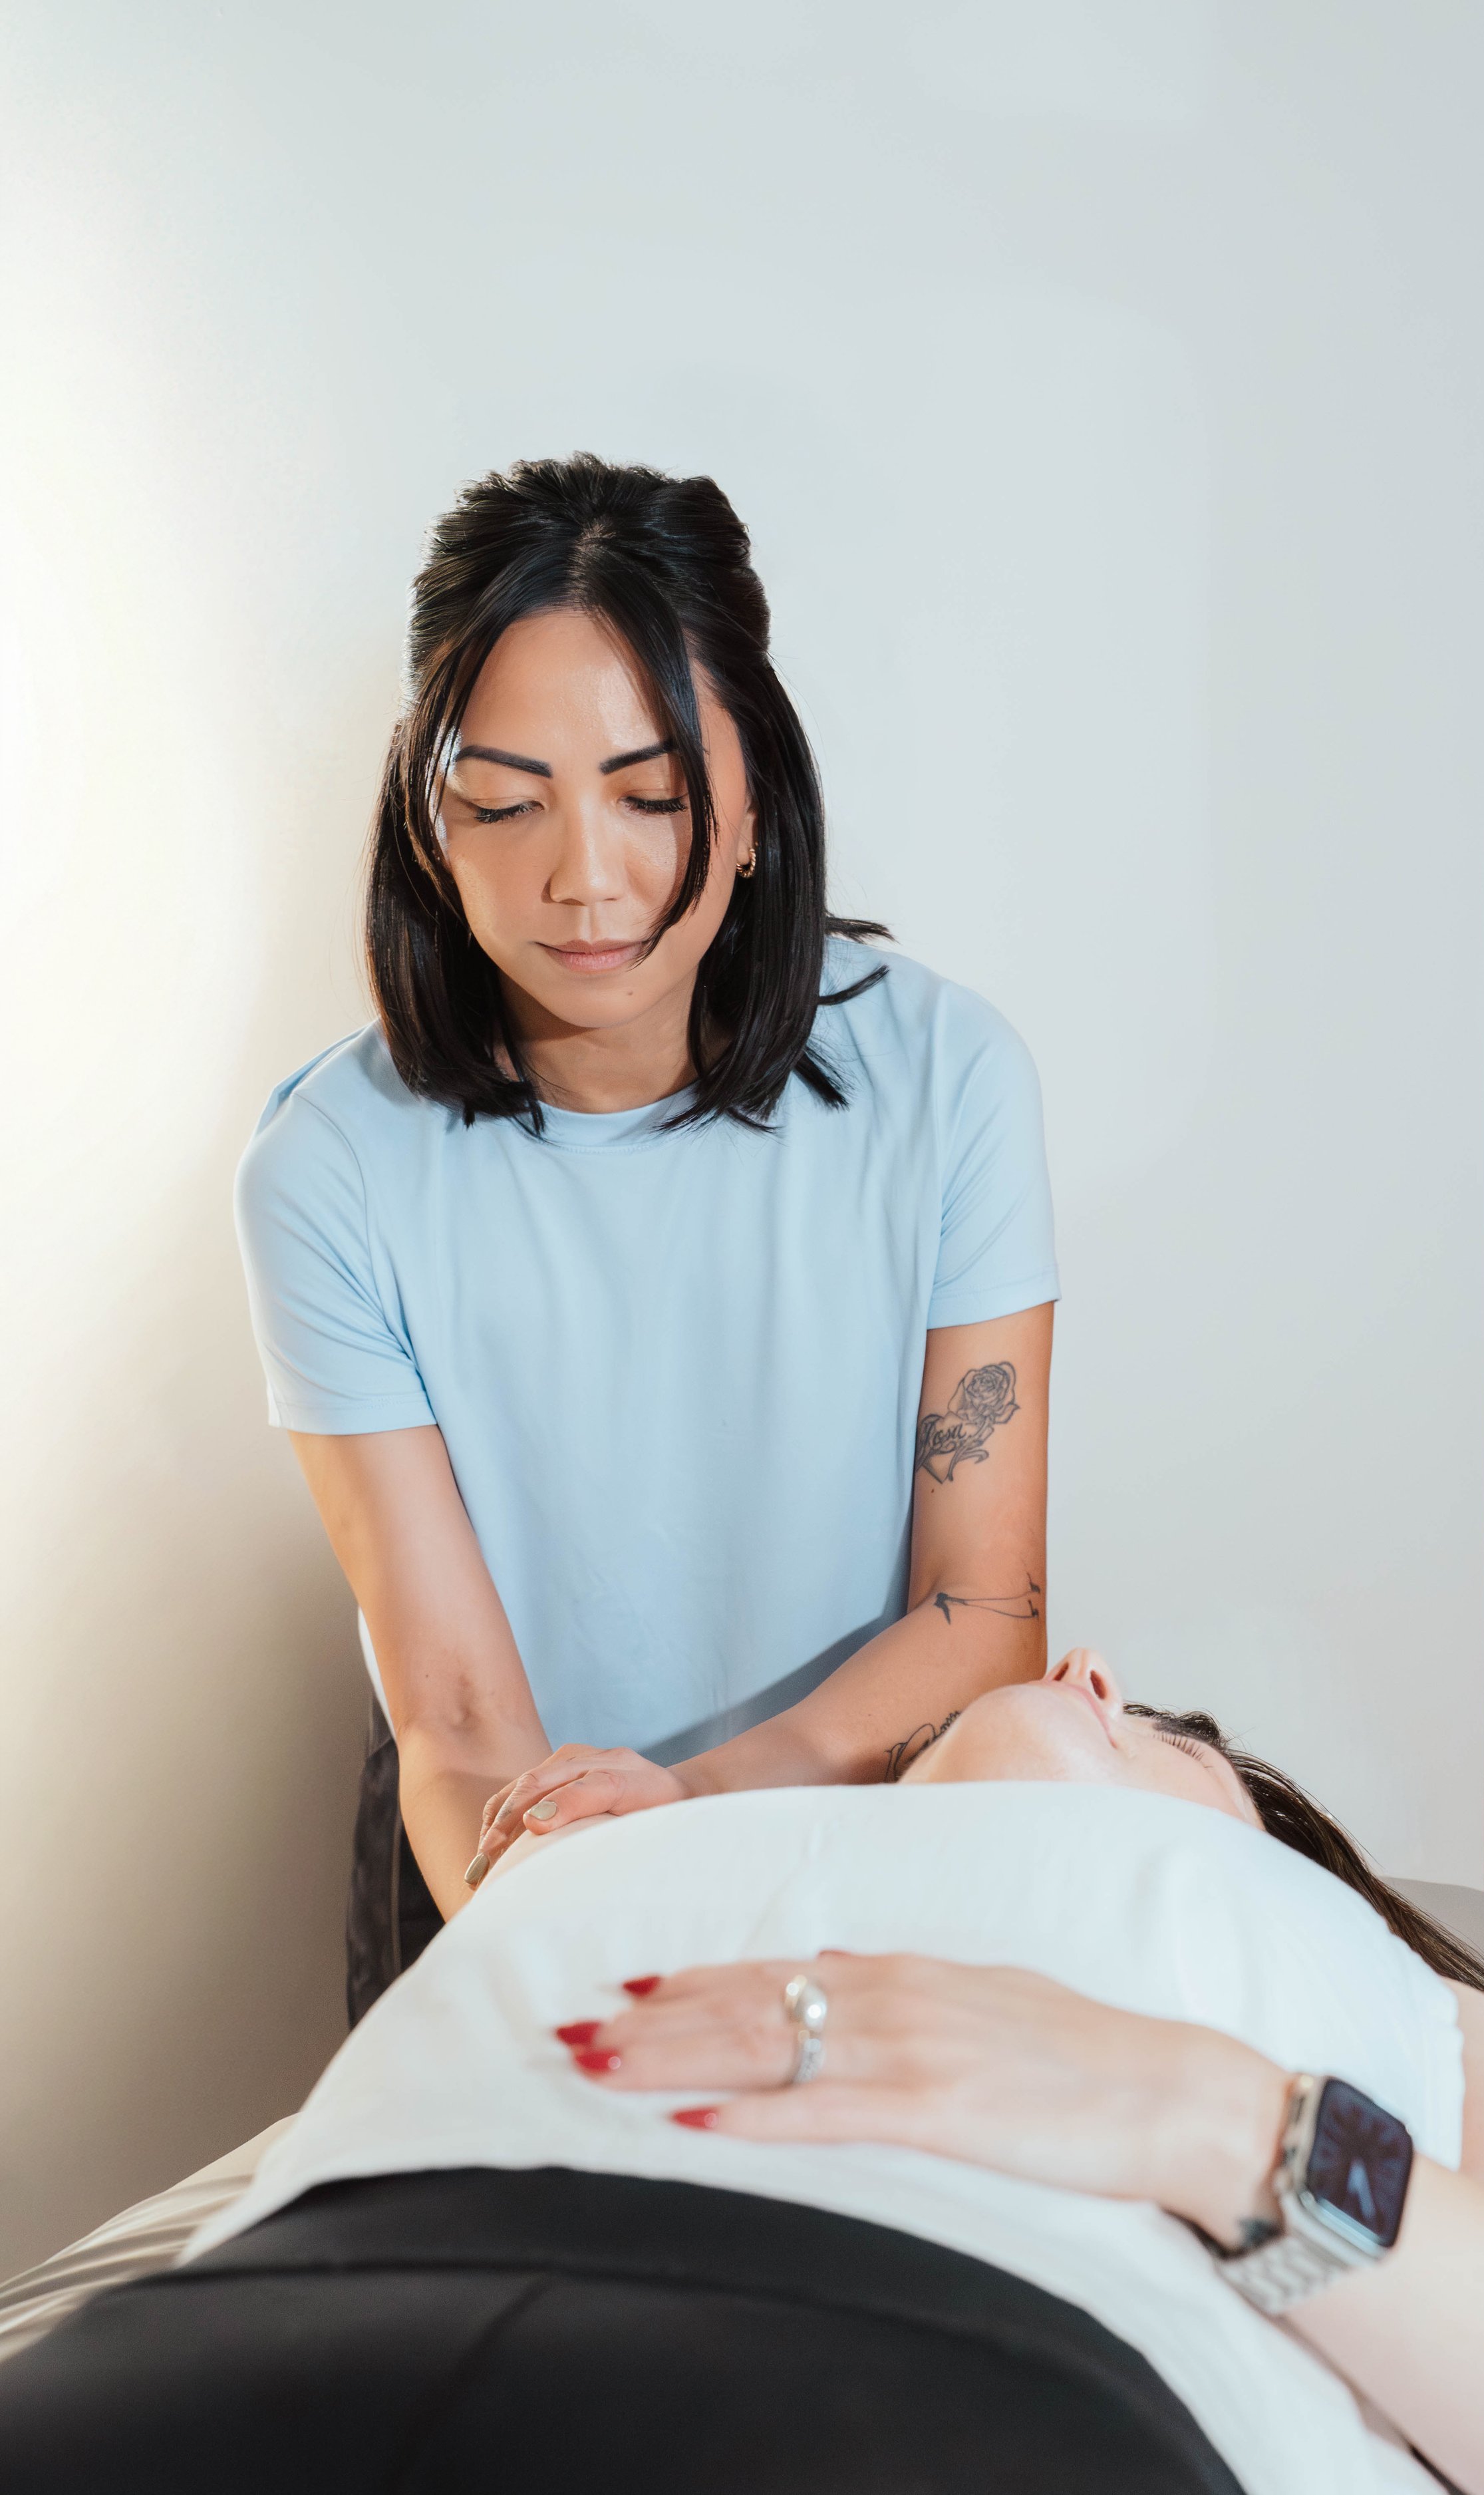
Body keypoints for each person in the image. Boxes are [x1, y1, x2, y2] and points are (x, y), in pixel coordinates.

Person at [3, 1653, 1484, 2494]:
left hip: (935, 2388)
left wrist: (1211, 2120)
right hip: (252, 2339)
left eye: (1173, 1737)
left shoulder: (1376, 1996)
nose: (1091, 1676)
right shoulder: (647, 1842)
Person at [233, 454, 1057, 2008]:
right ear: (428, 818)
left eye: (649, 793)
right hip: (506, 1859)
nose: (582, 878)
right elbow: (460, 1712)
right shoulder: (328, 1172)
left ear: (751, 799)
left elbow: (982, 1609)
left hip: (855, 1836)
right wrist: (580, 1912)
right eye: (505, 800)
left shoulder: (946, 1080)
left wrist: (694, 1815)